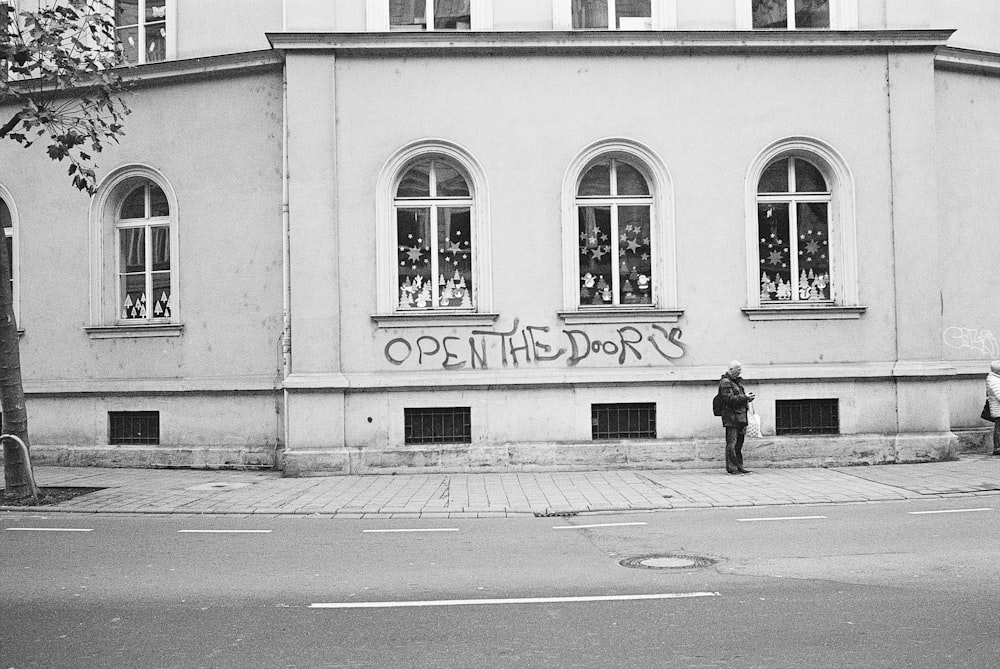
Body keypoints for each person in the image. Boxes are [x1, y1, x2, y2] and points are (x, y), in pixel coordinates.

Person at [719, 360, 755, 474]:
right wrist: (745, 397)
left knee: (739, 444)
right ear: (731, 370)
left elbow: (738, 397)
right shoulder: (725, 382)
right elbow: (729, 399)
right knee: (732, 443)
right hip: (731, 417)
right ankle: (732, 467)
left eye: (740, 369)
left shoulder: (736, 382)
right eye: (738, 369)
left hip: (740, 417)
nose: (740, 371)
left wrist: (746, 398)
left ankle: (739, 466)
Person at [987, 360, 1000, 455]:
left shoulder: (996, 378)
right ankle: (997, 448)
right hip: (998, 409)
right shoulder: (994, 380)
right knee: (998, 428)